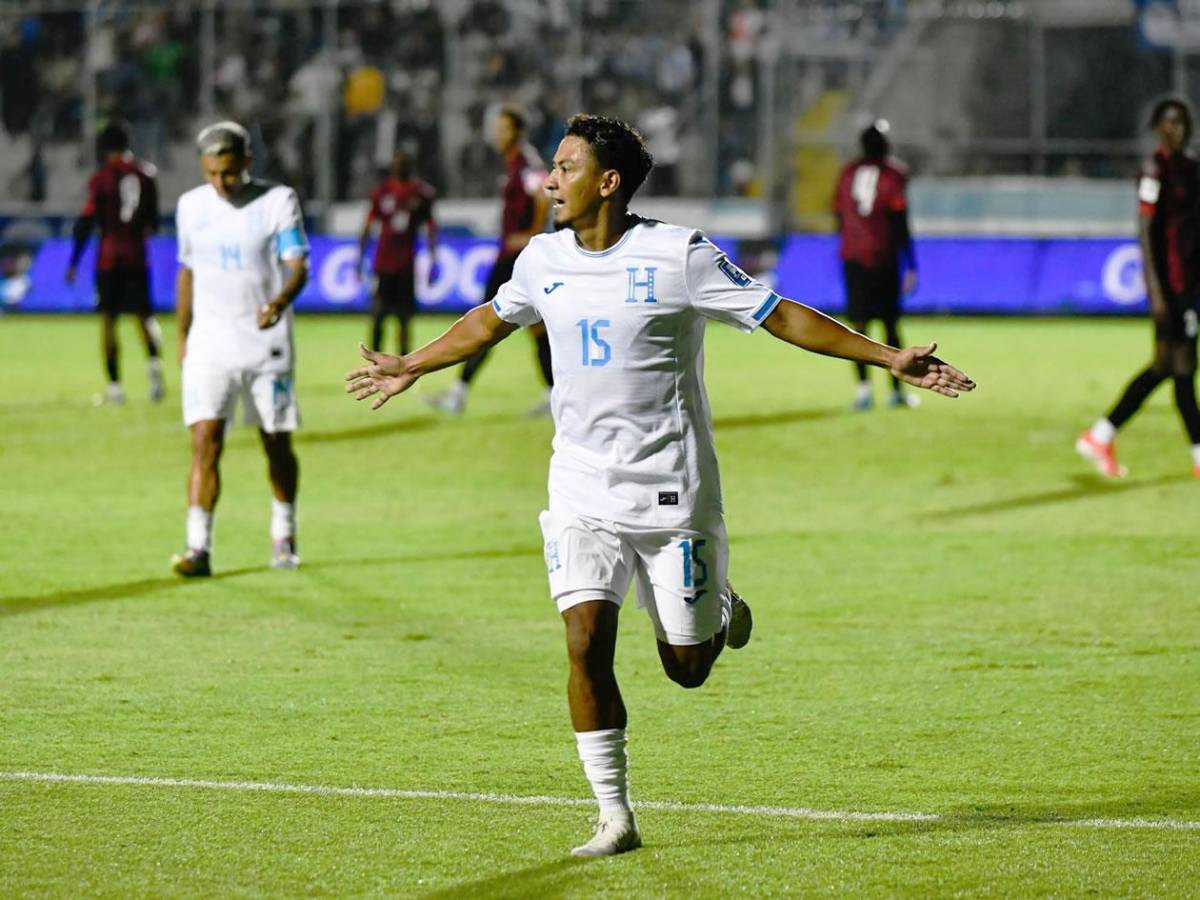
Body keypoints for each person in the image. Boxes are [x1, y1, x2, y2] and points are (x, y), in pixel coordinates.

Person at [345, 114, 974, 857]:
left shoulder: (680, 255)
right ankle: (613, 815)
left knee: (686, 668)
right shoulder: (542, 259)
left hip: (673, 491)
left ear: (607, 182)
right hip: (580, 486)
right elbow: (490, 319)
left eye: (566, 167)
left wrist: (887, 356)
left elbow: (780, 317)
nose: (549, 180)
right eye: (553, 165)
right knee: (584, 642)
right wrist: (412, 363)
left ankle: (719, 606)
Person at [171, 121, 310, 577]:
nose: (220, 183)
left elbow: (297, 264)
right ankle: (198, 548)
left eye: (228, 173)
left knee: (275, 443)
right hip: (209, 342)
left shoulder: (276, 202)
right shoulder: (190, 207)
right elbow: (187, 271)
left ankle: (283, 534)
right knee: (205, 442)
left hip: (264, 343)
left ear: (246, 162)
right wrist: (182, 335)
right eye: (211, 173)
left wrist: (280, 301)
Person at [1077, 97, 1200, 479]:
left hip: (1189, 284)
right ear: (1156, 128)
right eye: (1167, 122)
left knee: (1171, 368)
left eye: (1180, 122)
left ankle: (1101, 434)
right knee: (1180, 368)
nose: (1174, 129)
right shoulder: (1154, 170)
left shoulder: (1192, 169)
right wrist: (1158, 295)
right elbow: (1146, 233)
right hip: (1172, 287)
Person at [425, 106, 554, 416]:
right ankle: (554, 396)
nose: (497, 134)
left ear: (517, 132)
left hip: (515, 257)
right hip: (514, 255)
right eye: (496, 129)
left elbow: (544, 195)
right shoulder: (513, 164)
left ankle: (457, 395)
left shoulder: (526, 163)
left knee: (484, 323)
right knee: (537, 329)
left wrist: (530, 234)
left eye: (503, 129)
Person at [67, 120, 164, 406]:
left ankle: (115, 388)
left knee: (109, 322)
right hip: (137, 255)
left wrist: (74, 261)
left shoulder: (102, 178)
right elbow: (153, 223)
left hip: (109, 258)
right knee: (143, 318)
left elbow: (86, 221)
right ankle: (155, 376)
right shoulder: (147, 175)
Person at [832, 119, 919, 410]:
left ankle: (863, 390)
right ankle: (896, 392)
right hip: (883, 257)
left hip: (853, 257)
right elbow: (899, 221)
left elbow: (839, 214)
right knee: (891, 326)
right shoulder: (893, 174)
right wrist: (911, 264)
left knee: (858, 327)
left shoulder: (847, 173)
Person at [357, 149, 438, 356]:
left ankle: (403, 364)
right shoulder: (382, 192)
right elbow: (368, 225)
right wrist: (359, 257)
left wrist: (433, 260)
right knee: (377, 316)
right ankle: (375, 362)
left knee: (404, 319)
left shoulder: (421, 194)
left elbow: (431, 228)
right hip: (383, 264)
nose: (399, 168)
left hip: (405, 266)